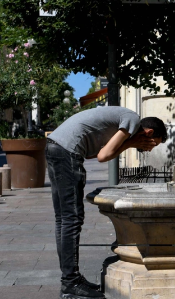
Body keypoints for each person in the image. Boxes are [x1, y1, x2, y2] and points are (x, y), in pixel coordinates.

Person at [46, 106, 168, 299]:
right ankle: (70, 283)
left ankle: (70, 279)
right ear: (149, 132)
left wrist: (127, 143)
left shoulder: (124, 124)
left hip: (56, 146)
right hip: (66, 151)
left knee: (64, 219)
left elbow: (96, 153)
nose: (148, 148)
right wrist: (130, 143)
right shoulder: (132, 119)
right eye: (152, 144)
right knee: (71, 219)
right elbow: (103, 157)